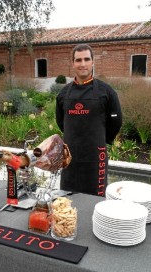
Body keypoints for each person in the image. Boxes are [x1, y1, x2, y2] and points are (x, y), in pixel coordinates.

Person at [56, 44, 122, 196]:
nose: (83, 64)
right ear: (73, 63)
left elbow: (116, 121)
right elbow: (61, 122)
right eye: (78, 60)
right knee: (67, 199)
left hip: (95, 156)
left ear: (93, 62)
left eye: (86, 59)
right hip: (69, 156)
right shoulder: (63, 94)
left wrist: (102, 139)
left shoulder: (106, 91)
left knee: (96, 200)